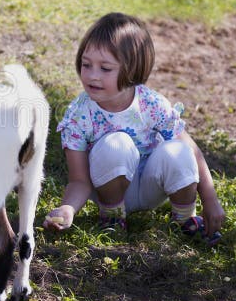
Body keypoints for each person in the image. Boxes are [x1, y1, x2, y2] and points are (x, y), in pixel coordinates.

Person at [43, 12, 224, 245]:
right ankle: (112, 216)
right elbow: (79, 180)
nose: (92, 75)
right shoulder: (79, 113)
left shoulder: (151, 104)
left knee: (178, 150)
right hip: (107, 187)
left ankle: (184, 218)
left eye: (105, 68)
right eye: (86, 65)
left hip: (151, 186)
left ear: (132, 70)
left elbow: (192, 151)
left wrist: (210, 199)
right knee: (115, 143)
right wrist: (68, 209)